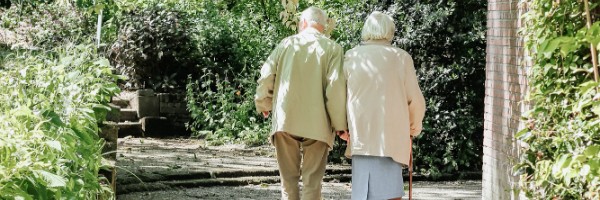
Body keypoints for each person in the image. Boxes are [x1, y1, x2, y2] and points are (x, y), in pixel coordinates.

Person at [254, 6, 347, 200]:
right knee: (312, 183)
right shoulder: (333, 48)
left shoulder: (286, 44)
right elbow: (335, 88)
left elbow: (266, 76)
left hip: (285, 118)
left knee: (288, 181)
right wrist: (340, 126)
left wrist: (264, 103)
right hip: (318, 123)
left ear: (302, 23)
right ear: (324, 26)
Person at [342, 11, 426, 200]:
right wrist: (413, 129)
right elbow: (416, 101)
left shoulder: (352, 56)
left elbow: (341, 96)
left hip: (361, 137)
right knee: (390, 194)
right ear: (390, 31)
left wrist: (342, 129)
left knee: (362, 194)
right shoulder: (401, 58)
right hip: (391, 139)